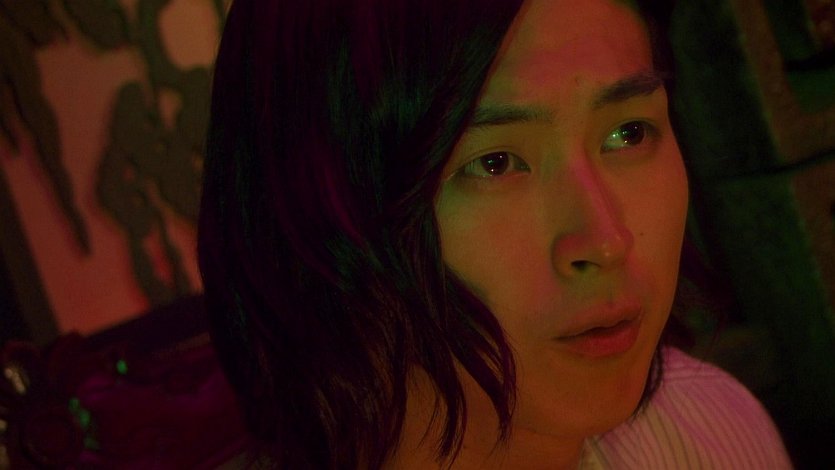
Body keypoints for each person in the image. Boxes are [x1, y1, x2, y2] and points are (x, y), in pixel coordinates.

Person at [198, 0, 792, 468]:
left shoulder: (709, 430)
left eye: (629, 134)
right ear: (323, 207)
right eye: (495, 164)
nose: (606, 239)